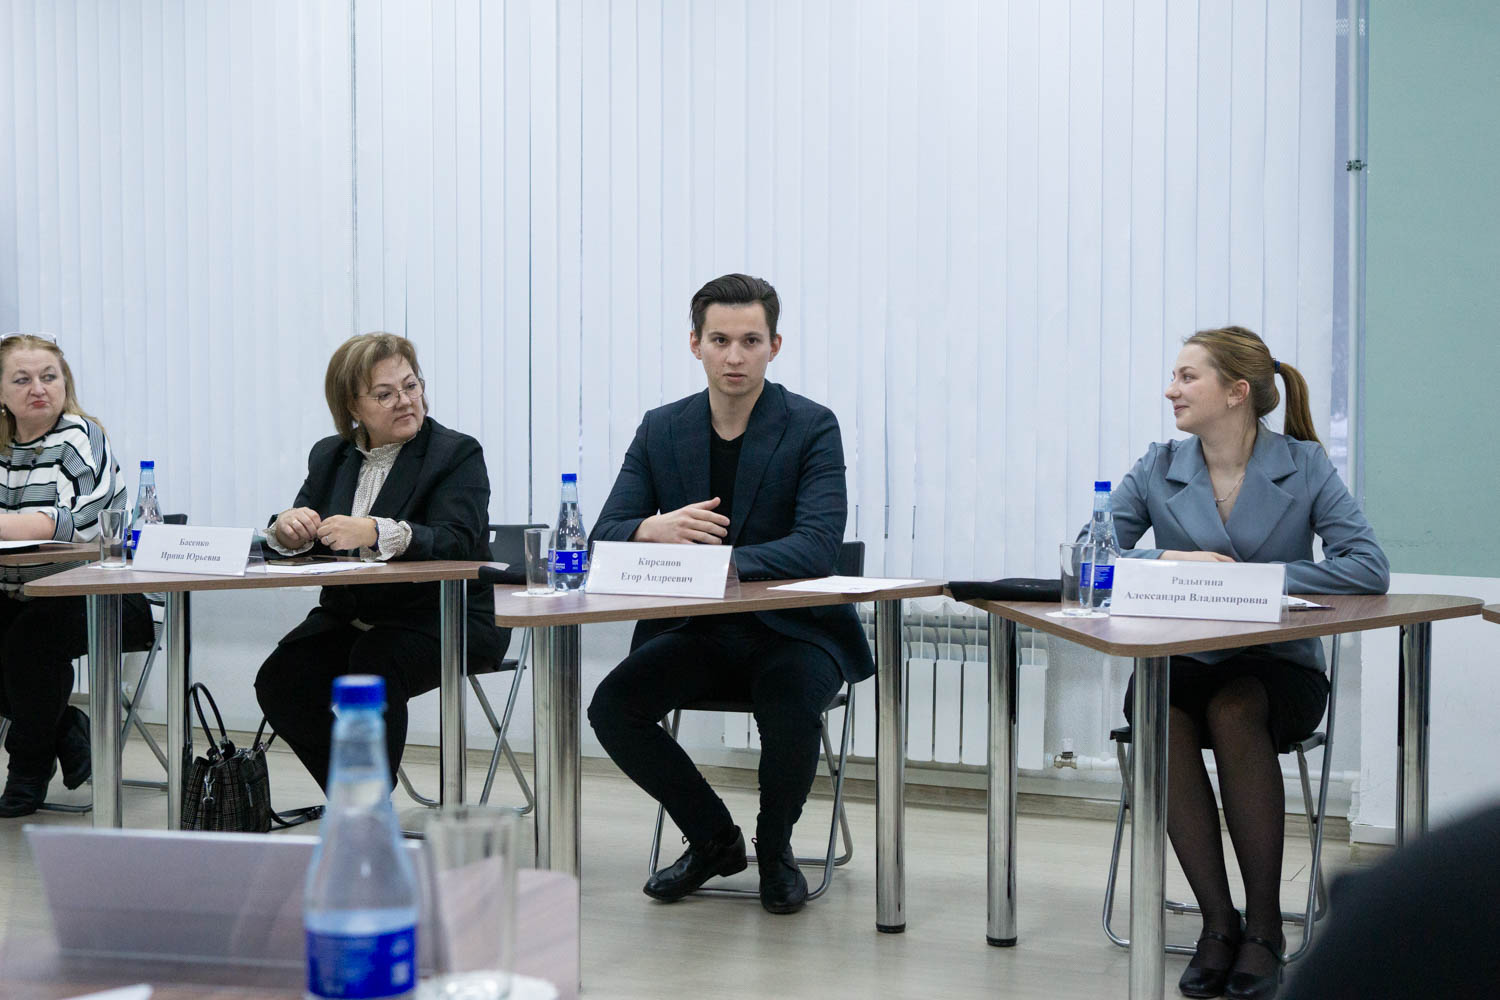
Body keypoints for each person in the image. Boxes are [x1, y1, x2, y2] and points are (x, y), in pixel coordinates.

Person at [1097, 326, 1389, 999]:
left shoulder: (1304, 464)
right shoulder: (1158, 465)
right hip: (1181, 658)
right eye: (1174, 376)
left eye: (1187, 377)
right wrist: (1171, 558)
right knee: (1160, 715)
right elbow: (1094, 553)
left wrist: (1256, 579)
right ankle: (1217, 923)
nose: (1170, 390)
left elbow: (1367, 566)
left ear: (1236, 392)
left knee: (1234, 710)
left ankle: (1263, 929)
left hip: (1277, 665)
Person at [587, 274, 871, 915]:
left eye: (750, 341)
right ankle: (714, 838)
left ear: (775, 346)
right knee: (614, 706)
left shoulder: (811, 426)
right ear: (695, 344)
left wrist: (715, 563)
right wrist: (651, 529)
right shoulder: (662, 428)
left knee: (788, 701)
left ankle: (775, 848)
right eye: (720, 340)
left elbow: (817, 546)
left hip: (796, 628)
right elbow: (605, 533)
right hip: (698, 628)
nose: (735, 356)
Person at [254, 332, 506, 791]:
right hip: (353, 616)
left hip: (444, 617)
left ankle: (367, 806)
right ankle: (355, 793)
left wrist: (375, 530)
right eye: (385, 394)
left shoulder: (455, 454)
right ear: (353, 406)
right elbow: (301, 531)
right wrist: (287, 527)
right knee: (281, 678)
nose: (406, 401)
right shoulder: (330, 455)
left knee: (374, 663)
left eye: (411, 385)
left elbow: (458, 541)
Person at [0, 333, 154, 817]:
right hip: (17, 593)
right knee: (20, 643)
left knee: (27, 645)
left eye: (50, 377)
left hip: (99, 594)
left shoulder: (80, 436)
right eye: (21, 380)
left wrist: (16, 524)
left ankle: (27, 770)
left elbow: (83, 522)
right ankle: (66, 726)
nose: (38, 388)